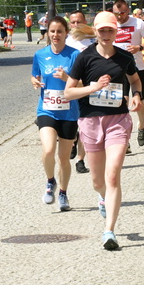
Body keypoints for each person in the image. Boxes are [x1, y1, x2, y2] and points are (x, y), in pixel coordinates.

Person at [63, 11, 142, 251]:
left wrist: (137, 95)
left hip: (118, 120)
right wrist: (93, 87)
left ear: (116, 31)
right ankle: (102, 197)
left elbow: (136, 80)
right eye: (102, 30)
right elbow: (68, 93)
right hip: (90, 122)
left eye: (110, 30)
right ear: (95, 32)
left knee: (113, 175)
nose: (106, 34)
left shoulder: (124, 57)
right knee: (98, 181)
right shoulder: (84, 58)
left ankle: (109, 231)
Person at [30, 16, 79, 211]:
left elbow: (84, 84)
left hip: (69, 112)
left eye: (60, 31)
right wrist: (34, 81)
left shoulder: (75, 55)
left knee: (64, 159)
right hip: (47, 109)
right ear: (47, 33)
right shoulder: (40, 55)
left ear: (66, 33)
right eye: (52, 31)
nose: (56, 35)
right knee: (48, 150)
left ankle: (63, 194)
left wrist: (68, 78)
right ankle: (50, 181)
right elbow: (35, 75)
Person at [111, 0, 144, 147]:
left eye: (122, 13)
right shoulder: (110, 24)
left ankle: (141, 126)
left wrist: (139, 48)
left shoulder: (138, 23)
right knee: (121, 102)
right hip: (117, 69)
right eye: (116, 13)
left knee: (139, 102)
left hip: (137, 67)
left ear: (128, 10)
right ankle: (125, 139)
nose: (119, 16)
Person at [65, 10, 96, 174]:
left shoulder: (94, 40)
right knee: (73, 124)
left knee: (85, 125)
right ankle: (73, 140)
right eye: (73, 22)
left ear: (86, 22)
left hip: (89, 87)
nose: (76, 25)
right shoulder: (66, 42)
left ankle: (80, 160)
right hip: (71, 87)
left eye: (79, 21)